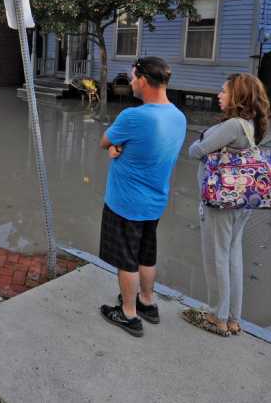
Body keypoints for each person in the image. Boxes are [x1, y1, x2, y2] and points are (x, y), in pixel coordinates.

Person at [99, 56, 187, 338]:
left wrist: (114, 147)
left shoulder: (134, 116)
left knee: (126, 259)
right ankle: (147, 302)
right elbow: (148, 150)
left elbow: (105, 141)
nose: (131, 82)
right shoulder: (178, 116)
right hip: (154, 201)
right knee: (146, 255)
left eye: (133, 77)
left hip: (125, 203)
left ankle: (128, 314)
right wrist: (119, 148)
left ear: (145, 81)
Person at [184, 73, 271, 337]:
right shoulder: (252, 124)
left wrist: (203, 138)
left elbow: (194, 151)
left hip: (222, 200)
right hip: (242, 200)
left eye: (223, 91)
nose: (218, 95)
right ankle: (233, 318)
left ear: (238, 96)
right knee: (233, 255)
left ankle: (216, 316)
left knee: (216, 256)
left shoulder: (233, 125)